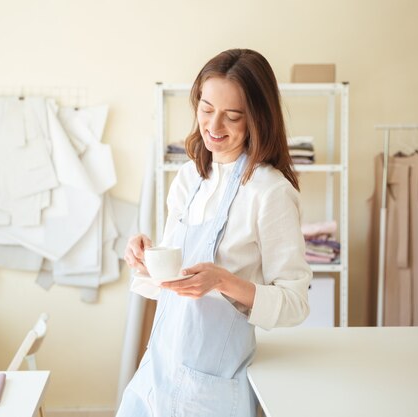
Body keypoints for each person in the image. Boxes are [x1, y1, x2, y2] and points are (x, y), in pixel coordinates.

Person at [118, 48, 312, 417]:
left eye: (232, 116)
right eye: (206, 109)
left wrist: (223, 282)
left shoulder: (270, 192)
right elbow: (172, 283)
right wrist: (145, 259)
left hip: (212, 391)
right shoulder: (189, 179)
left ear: (257, 119)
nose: (213, 126)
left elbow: (295, 303)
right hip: (157, 373)